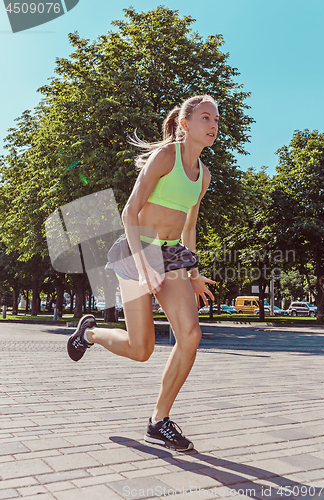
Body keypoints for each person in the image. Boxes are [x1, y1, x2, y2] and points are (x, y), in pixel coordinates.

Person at [67, 94, 218, 451]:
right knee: (141, 349)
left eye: (216, 120)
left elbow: (189, 227)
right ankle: (89, 334)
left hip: (170, 256)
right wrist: (140, 266)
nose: (213, 126)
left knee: (191, 335)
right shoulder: (165, 157)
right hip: (136, 252)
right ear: (185, 124)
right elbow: (129, 212)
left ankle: (158, 421)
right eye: (205, 118)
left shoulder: (203, 176)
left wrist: (193, 270)